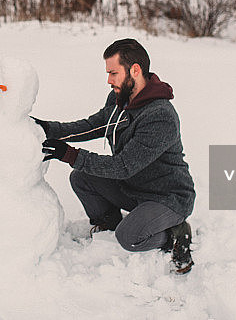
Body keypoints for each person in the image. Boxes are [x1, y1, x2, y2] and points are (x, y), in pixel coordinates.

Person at [38, 38, 195, 274]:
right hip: (133, 188)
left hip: (166, 198)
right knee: (81, 177)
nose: (109, 80)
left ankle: (174, 233)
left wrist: (69, 154)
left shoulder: (160, 115)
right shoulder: (119, 100)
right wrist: (49, 129)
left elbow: (123, 166)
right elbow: (92, 126)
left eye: (113, 73)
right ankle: (109, 224)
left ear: (135, 70)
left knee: (130, 237)